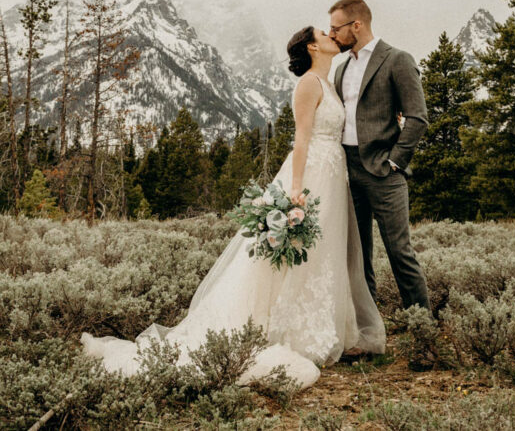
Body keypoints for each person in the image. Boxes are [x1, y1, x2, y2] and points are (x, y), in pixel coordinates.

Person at [80, 26, 385, 390]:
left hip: (334, 177)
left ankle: (321, 326)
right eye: (324, 31)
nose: (331, 33)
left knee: (324, 252)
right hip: (313, 174)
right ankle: (286, 329)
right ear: (312, 46)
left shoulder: (330, 81)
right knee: (300, 251)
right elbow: (300, 139)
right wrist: (297, 190)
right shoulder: (308, 84)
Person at [328, 0, 431, 313]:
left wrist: (395, 161)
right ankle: (367, 330)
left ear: (356, 25)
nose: (332, 35)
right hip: (348, 171)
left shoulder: (397, 60)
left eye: (336, 28)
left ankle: (422, 329)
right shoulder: (342, 68)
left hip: (384, 171)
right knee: (358, 255)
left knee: (400, 252)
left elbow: (418, 117)